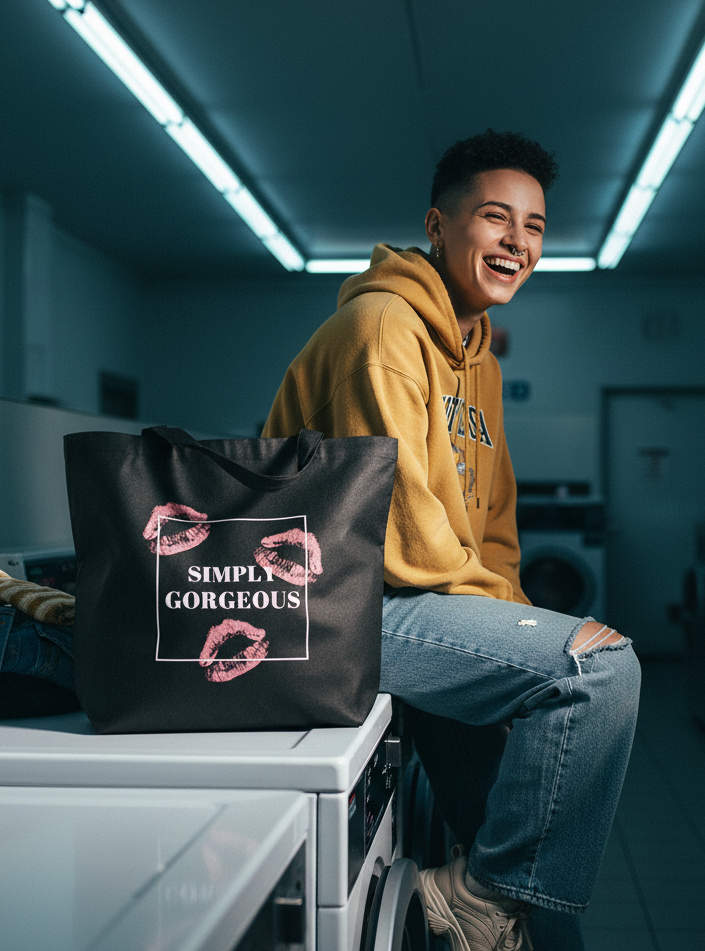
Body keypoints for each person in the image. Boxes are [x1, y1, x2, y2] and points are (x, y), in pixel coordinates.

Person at [263, 129, 641, 951]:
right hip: (340, 611)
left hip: (424, 613)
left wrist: (509, 637)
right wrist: (534, 651)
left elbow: (489, 524)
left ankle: (478, 899)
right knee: (600, 669)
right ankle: (475, 896)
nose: (516, 241)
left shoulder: (481, 361)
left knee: (526, 893)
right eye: (495, 218)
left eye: (535, 226)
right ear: (438, 225)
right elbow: (405, 533)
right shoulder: (380, 330)